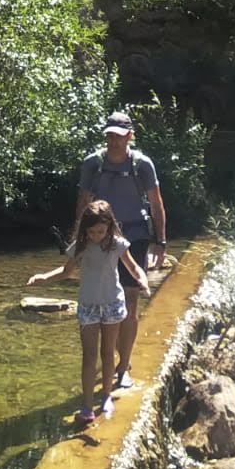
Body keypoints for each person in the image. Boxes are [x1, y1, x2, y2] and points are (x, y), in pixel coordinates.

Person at [27, 199, 149, 427]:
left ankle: (105, 397)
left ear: (109, 227)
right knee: (89, 356)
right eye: (91, 231)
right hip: (88, 306)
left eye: (100, 231)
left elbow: (133, 267)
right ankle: (86, 404)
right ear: (85, 229)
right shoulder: (80, 246)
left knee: (107, 353)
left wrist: (142, 280)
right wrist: (43, 278)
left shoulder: (117, 244)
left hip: (112, 304)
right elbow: (66, 271)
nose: (96, 236)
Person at [73, 110, 167, 391]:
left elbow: (156, 202)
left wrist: (160, 242)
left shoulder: (142, 164)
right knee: (100, 299)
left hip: (134, 237)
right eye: (110, 135)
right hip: (98, 238)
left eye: (119, 135)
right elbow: (83, 202)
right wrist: (77, 240)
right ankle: (107, 362)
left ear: (129, 136)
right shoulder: (93, 164)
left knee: (129, 303)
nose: (114, 140)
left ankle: (123, 366)